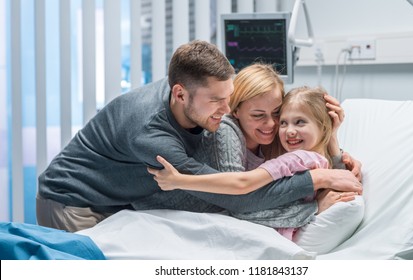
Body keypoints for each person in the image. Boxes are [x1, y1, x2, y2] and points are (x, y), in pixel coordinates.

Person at [37, 41, 360, 233]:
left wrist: (333, 145)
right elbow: (239, 197)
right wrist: (315, 186)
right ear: (180, 94)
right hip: (76, 202)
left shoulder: (196, 95)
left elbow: (285, 147)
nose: (227, 109)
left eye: (229, 97)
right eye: (217, 101)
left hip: (123, 199)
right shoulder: (151, 136)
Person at [148, 63, 362, 231]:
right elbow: (240, 205)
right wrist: (313, 209)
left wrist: (333, 139)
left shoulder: (276, 132)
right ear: (235, 110)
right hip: (170, 209)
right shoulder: (226, 131)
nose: (271, 124)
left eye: (277, 114)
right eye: (258, 115)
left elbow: (331, 172)